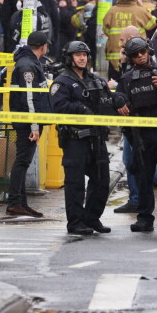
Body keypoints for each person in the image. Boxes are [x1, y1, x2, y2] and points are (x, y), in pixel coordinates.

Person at [49, 41, 124, 235]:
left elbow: (108, 101)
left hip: (97, 138)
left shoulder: (97, 81)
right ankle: (75, 222)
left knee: (101, 181)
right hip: (75, 139)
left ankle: (92, 218)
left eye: (84, 54)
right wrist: (81, 109)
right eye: (78, 55)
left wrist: (117, 100)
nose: (82, 58)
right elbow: (58, 106)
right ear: (69, 58)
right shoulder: (62, 81)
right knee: (75, 184)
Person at [116, 38, 157, 234]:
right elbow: (119, 98)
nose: (140, 56)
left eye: (142, 52)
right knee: (143, 179)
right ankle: (144, 218)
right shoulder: (127, 78)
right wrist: (119, 101)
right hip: (142, 137)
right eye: (135, 54)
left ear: (148, 51)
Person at [6, 31, 51, 217]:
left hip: (27, 119)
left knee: (23, 161)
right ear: (43, 47)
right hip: (27, 121)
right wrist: (34, 126)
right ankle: (15, 202)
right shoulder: (27, 65)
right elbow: (29, 98)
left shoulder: (29, 62)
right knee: (22, 160)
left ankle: (21, 203)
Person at [103, 0, 157, 76]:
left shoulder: (111, 11)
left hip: (115, 58)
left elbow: (106, 31)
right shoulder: (140, 11)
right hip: (137, 57)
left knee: (114, 86)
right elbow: (152, 24)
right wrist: (142, 6)